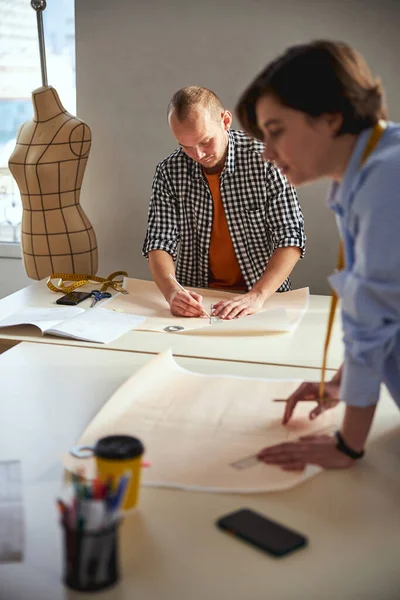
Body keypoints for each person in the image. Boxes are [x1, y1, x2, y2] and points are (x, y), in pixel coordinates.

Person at [236, 40, 400, 470]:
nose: (267, 154)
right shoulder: (364, 174)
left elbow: (374, 319)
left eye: (275, 131)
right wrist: (342, 384)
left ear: (329, 118)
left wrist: (348, 444)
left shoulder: (388, 179)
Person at [142, 86, 305, 319]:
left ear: (225, 120)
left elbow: (290, 236)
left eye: (205, 142)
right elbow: (159, 242)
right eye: (186, 147)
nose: (198, 155)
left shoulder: (268, 161)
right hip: (199, 298)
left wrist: (257, 295)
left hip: (262, 297)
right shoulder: (169, 171)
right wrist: (172, 293)